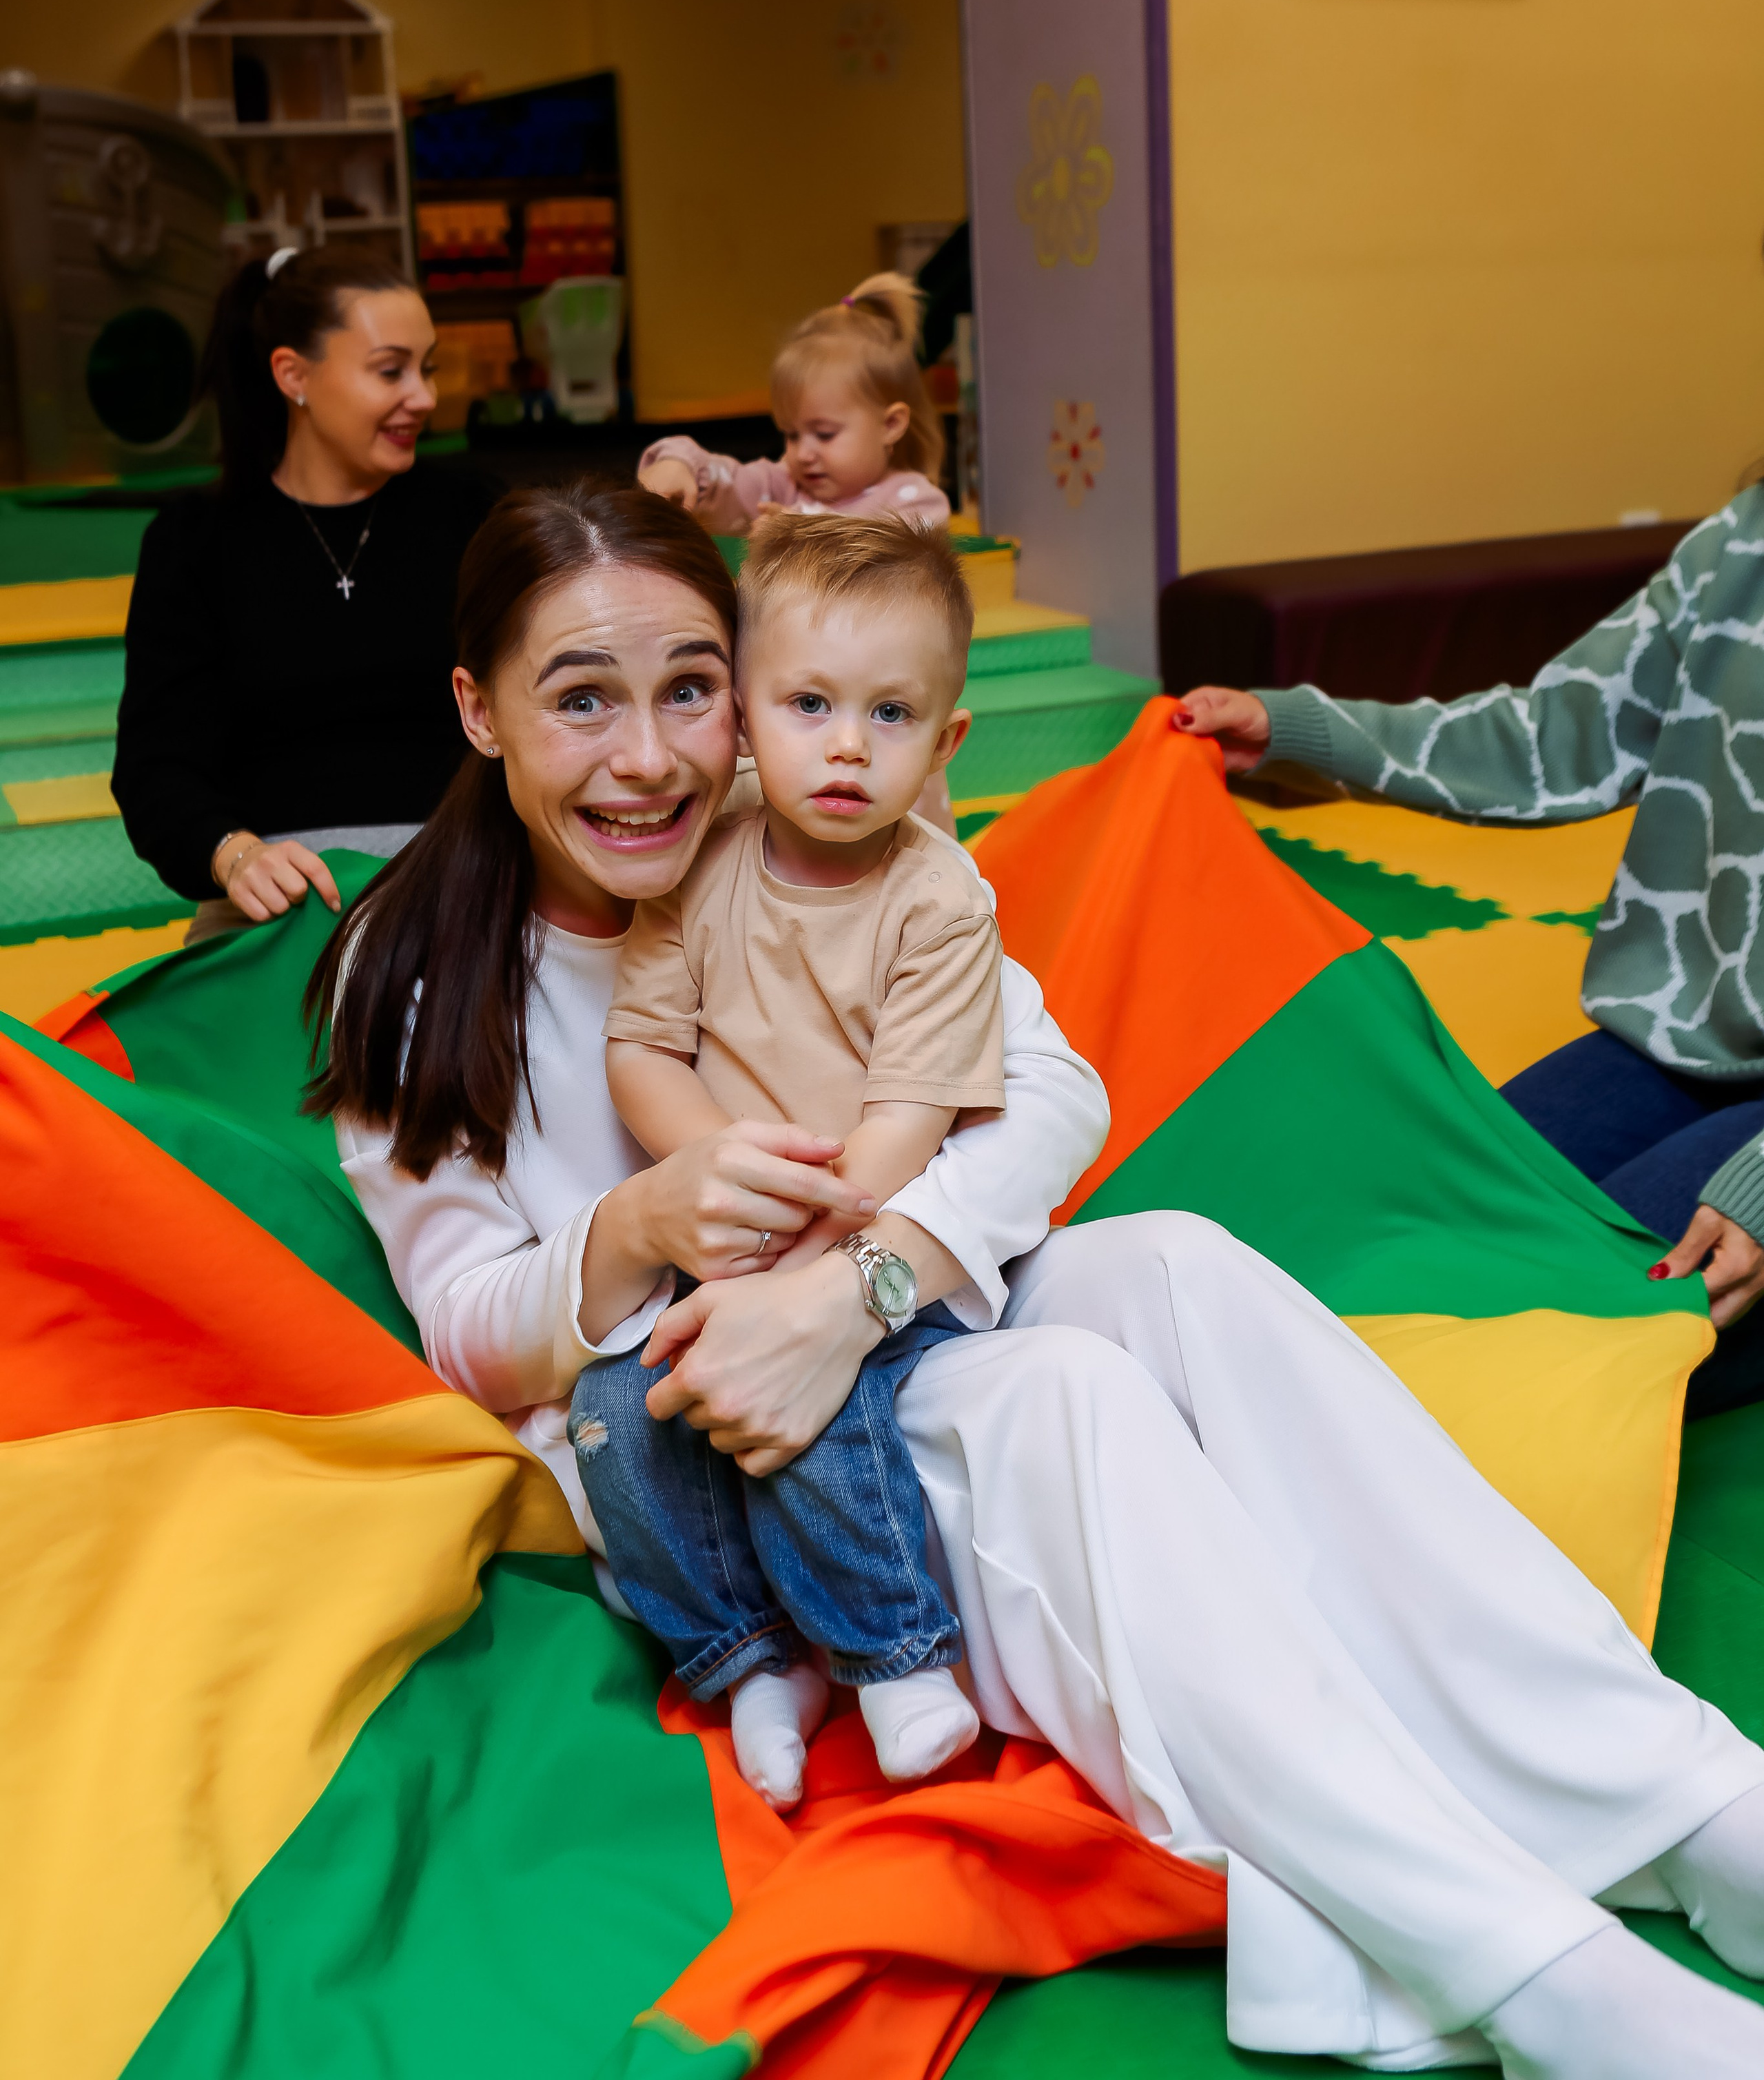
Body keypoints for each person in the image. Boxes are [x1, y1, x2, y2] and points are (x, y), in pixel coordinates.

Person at [311, 478, 1764, 2077]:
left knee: (1180, 1267)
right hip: (717, 1448)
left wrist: (859, 1277)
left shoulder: (814, 843)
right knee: (1062, 1389)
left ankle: (1670, 1796)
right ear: (479, 707)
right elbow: (464, 1320)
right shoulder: (412, 969)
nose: (649, 754)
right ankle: (1510, 1958)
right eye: (580, 698)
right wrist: (641, 1224)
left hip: (883, 1316)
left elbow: (1053, 1084)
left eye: (690, 689)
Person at [1173, 488, 1764, 1413]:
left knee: (1560, 1335)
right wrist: (1295, 727)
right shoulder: (1743, 542)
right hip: (1689, 1041)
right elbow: (1551, 736)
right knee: (1422, 1226)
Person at [595, 513, 996, 1806]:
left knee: (817, 1406)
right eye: (810, 703)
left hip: (866, 1251)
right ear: (748, 715)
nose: (843, 745)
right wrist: (726, 1178)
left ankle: (895, 1657)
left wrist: (810, 1246)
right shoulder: (702, 862)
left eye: (891, 718)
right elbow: (644, 1049)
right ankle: (755, 1656)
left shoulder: (939, 901)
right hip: (731, 1235)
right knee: (615, 1419)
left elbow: (908, 1118)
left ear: (946, 744)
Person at [113, 243, 491, 943]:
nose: (426, 397)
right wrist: (235, 855)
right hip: (278, 906)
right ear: (294, 375)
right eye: (391, 371)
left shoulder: (471, 514)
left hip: (459, 884)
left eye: (428, 368)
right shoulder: (194, 541)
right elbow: (155, 768)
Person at [637, 272, 950, 537]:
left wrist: (802, 534)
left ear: (890, 425)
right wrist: (680, 464)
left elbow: (889, 562)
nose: (802, 454)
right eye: (791, 434)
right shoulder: (782, 483)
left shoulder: (917, 503)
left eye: (825, 434)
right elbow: (725, 482)